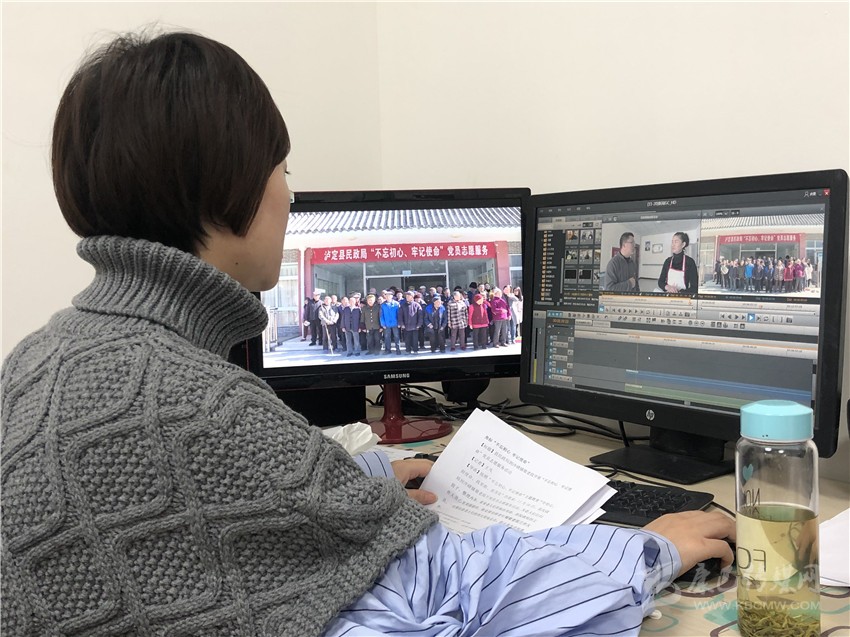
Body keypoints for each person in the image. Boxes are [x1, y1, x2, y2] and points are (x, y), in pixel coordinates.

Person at [1, 29, 735, 637]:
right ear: (224, 187)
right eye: (280, 168)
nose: (289, 194)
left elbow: (189, 524)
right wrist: (644, 550)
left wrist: (353, 489)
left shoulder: (36, 359)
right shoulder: (201, 402)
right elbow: (448, 589)